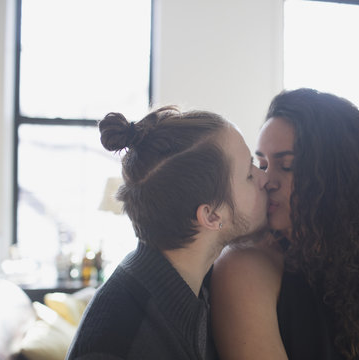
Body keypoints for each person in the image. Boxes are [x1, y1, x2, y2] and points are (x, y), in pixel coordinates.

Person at [211, 88, 359, 360]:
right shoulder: (245, 267)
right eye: (262, 164)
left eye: (286, 165)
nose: (266, 180)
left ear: (337, 177)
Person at [67, 106, 268, 359]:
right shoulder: (119, 341)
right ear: (211, 215)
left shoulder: (198, 288)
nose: (265, 178)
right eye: (249, 174)